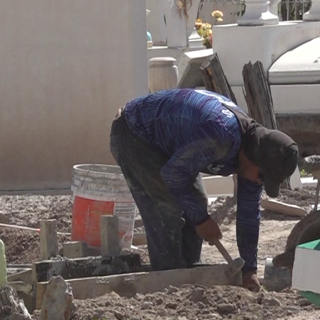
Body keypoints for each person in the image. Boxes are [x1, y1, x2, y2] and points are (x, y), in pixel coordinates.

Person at [110, 88, 299, 292]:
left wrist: (249, 270)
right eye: (262, 176)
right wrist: (201, 219)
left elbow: (248, 216)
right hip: (134, 132)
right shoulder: (220, 136)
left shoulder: (251, 158)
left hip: (172, 145)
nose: (258, 181)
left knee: (196, 202)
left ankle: (189, 277)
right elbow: (173, 175)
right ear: (254, 155)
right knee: (166, 210)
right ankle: (169, 285)